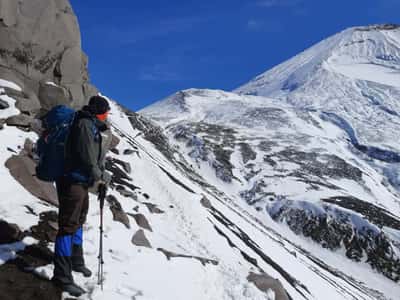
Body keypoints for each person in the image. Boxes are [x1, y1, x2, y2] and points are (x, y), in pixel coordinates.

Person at [52, 95, 112, 296]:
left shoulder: (92, 125)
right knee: (68, 225)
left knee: (79, 220)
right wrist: (101, 178)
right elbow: (87, 158)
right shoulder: (85, 125)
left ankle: (76, 261)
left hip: (81, 182)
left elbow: (94, 157)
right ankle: (62, 276)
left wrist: (99, 176)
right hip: (71, 181)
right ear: (98, 112)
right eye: (105, 112)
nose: (107, 116)